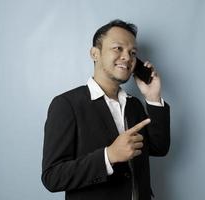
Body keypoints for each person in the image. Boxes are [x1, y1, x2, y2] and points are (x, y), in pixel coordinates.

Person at [41, 19, 170, 200]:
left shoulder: (134, 105)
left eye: (133, 53)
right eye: (118, 48)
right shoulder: (66, 105)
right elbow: (52, 177)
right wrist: (108, 156)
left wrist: (153, 97)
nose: (127, 57)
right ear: (95, 53)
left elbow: (159, 148)